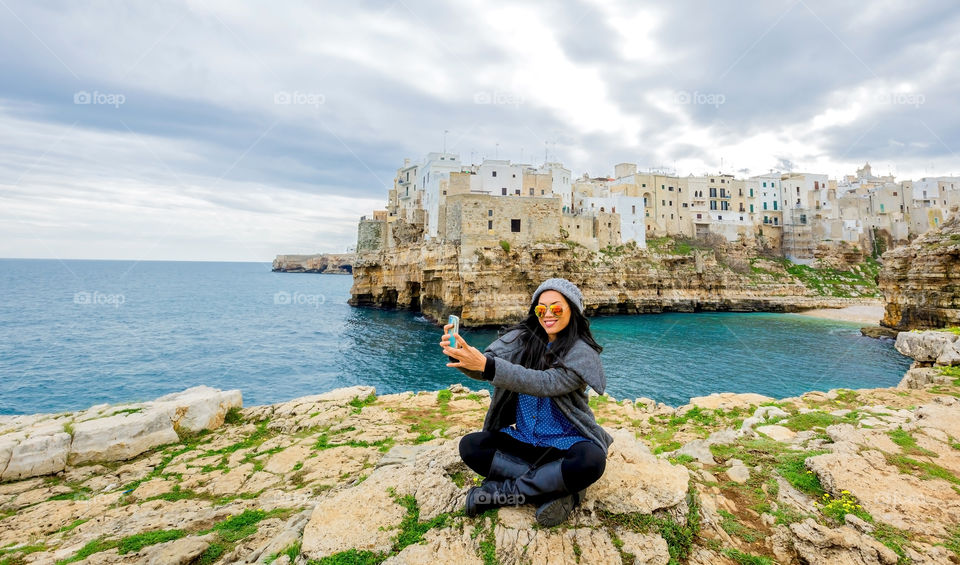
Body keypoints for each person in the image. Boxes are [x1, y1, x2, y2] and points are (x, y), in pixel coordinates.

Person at [440, 278, 612, 527]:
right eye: (541, 309)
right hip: (524, 439)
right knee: (471, 446)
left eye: (556, 308)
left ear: (572, 310)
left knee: (591, 461)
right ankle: (565, 490)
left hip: (565, 444)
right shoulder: (521, 338)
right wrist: (462, 357)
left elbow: (544, 383)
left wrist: (487, 366)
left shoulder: (581, 353)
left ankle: (499, 494)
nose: (548, 315)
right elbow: (485, 365)